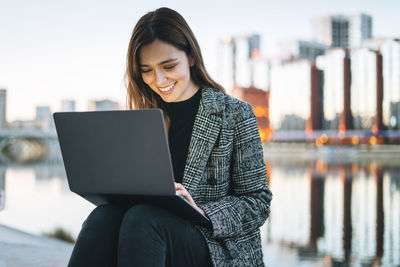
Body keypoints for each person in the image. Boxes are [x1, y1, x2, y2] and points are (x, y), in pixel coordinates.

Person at [68, 7, 272, 267]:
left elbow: (258, 203)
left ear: (191, 57)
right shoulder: (142, 119)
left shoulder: (234, 114)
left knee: (143, 219)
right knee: (103, 217)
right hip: (149, 230)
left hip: (216, 246)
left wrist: (202, 211)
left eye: (168, 66)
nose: (159, 79)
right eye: (147, 70)